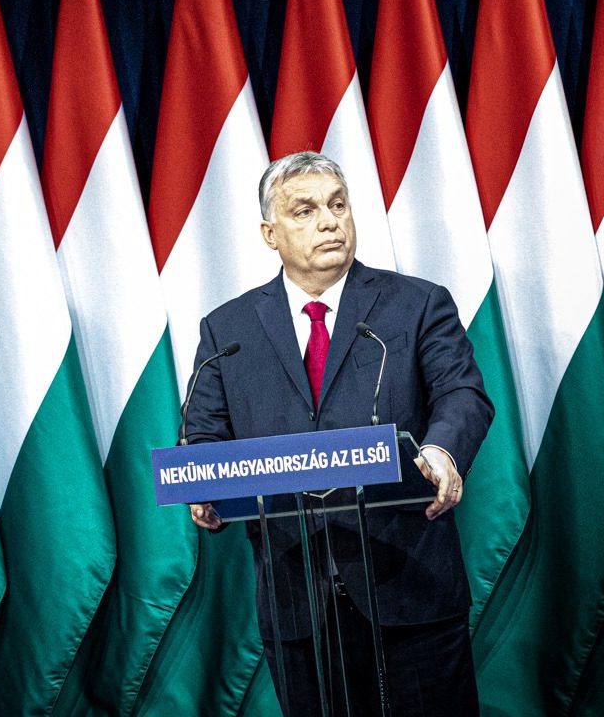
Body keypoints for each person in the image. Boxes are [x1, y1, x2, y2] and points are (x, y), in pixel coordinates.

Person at [182, 151, 492, 717]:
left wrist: (442, 452)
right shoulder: (227, 330)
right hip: (297, 596)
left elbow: (461, 392)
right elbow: (202, 433)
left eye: (338, 205)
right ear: (270, 233)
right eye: (305, 211)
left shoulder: (417, 304)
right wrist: (203, 484)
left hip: (408, 585)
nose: (329, 221)